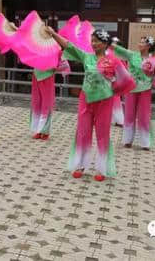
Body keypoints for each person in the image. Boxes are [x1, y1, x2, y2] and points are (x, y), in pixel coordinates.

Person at [46, 27, 133, 181]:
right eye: (92, 40)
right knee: (83, 132)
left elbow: (126, 79)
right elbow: (68, 45)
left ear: (105, 43)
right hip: (85, 100)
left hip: (104, 101)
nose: (93, 44)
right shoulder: (87, 57)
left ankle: (102, 169)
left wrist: (113, 89)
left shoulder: (114, 60)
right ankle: (80, 165)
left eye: (97, 41)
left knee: (102, 134)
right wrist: (53, 34)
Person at [112, 36, 155, 150]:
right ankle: (127, 140)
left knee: (144, 116)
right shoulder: (132, 55)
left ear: (148, 46)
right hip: (131, 89)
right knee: (129, 115)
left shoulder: (153, 61)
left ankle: (145, 143)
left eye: (142, 43)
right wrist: (107, 41)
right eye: (140, 41)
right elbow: (119, 50)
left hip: (145, 90)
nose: (139, 44)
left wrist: (153, 83)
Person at [29, 53, 70, 140]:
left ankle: (45, 131)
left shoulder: (55, 49)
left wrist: (53, 67)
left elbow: (64, 65)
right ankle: (37, 130)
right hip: (36, 75)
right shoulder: (36, 46)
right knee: (37, 103)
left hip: (47, 76)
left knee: (46, 105)